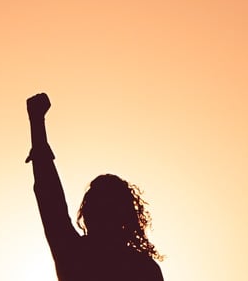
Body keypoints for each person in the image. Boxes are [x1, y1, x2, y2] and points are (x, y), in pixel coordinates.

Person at [26, 92, 165, 281]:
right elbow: (49, 196)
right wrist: (37, 126)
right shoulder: (143, 267)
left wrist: (37, 123)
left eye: (106, 209)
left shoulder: (73, 253)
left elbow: (50, 198)